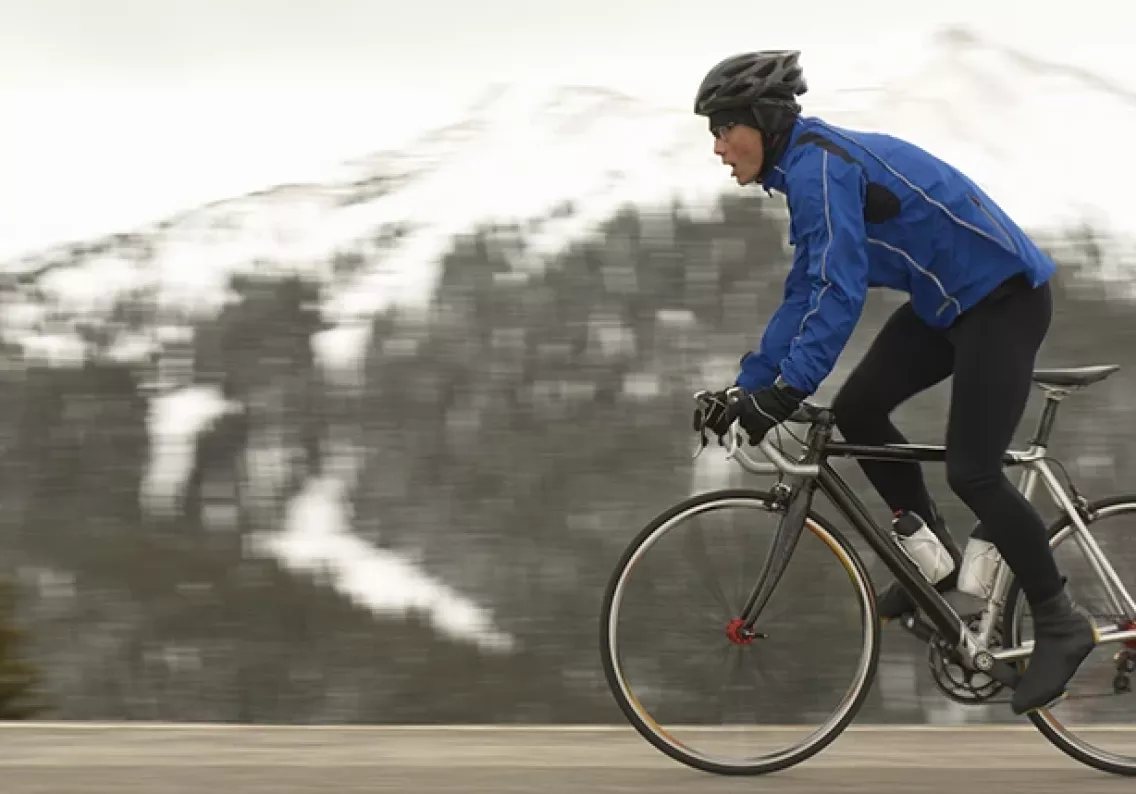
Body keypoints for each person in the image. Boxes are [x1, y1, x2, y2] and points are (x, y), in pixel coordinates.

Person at [691, 49, 1097, 715]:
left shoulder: (820, 166)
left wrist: (786, 391)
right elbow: (805, 291)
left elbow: (840, 291)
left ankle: (1061, 619)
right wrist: (750, 385)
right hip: (949, 305)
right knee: (861, 408)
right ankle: (925, 556)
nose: (715, 147)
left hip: (1002, 301)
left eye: (721, 128)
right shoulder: (804, 170)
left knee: (974, 470)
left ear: (761, 123)